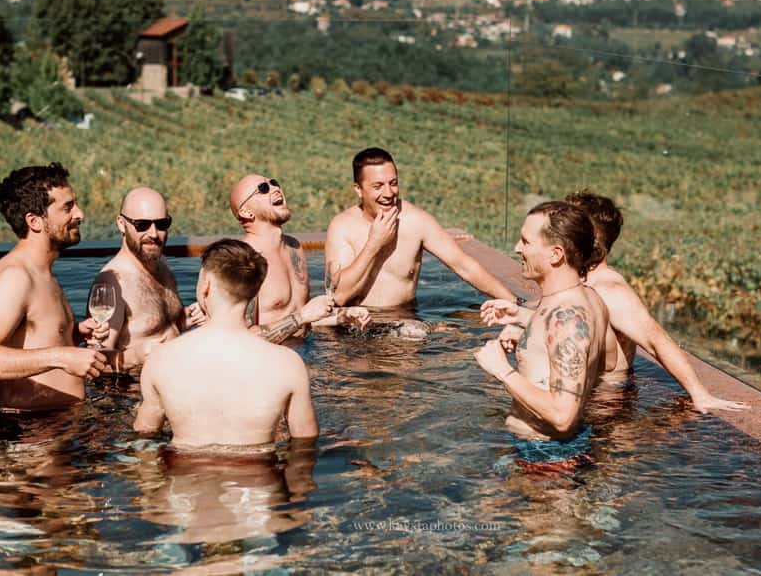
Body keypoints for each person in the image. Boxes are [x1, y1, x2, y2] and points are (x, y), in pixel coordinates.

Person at [483, 191, 747, 414]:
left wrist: (700, 394)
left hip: (604, 405)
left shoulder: (610, 290)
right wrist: (522, 324)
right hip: (576, 394)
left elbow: (657, 340)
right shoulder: (577, 284)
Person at [133, 239, 319, 448]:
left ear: (206, 285)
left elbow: (144, 440)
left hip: (186, 477)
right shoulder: (288, 364)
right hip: (260, 477)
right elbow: (305, 446)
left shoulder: (162, 359)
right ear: (255, 291)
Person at [0, 163, 110, 412]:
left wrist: (72, 336)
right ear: (34, 221)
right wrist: (62, 356)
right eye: (67, 207)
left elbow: (29, 341)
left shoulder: (41, 272)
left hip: (55, 425)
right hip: (28, 434)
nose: (80, 214)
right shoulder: (15, 277)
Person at [475, 201, 612, 442]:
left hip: (543, 462)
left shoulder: (568, 318)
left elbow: (563, 416)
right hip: (541, 452)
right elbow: (603, 360)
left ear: (556, 254)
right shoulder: (590, 299)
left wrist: (502, 370)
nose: (518, 248)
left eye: (526, 242)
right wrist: (523, 319)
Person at [325, 147, 516, 311]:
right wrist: (374, 244)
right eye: (378, 186)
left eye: (393, 183)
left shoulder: (415, 220)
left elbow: (464, 265)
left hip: (404, 325)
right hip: (354, 329)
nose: (388, 193)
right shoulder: (342, 227)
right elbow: (339, 296)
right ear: (358, 189)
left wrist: (513, 302)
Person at [229, 173, 369, 341]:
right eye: (263, 189)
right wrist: (301, 317)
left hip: (305, 354)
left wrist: (341, 316)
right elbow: (242, 338)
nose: (275, 189)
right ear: (246, 212)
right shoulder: (244, 261)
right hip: (269, 362)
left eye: (274, 183)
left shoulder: (293, 248)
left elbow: (307, 317)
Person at [88, 187, 194, 370]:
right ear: (121, 224)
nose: (153, 234)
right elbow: (96, 362)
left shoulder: (162, 265)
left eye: (161, 224)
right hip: (136, 391)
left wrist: (187, 319)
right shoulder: (112, 283)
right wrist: (135, 356)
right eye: (142, 225)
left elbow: (164, 326)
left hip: (175, 379)